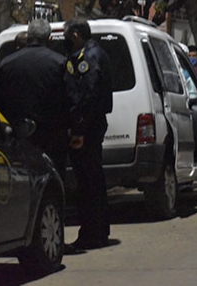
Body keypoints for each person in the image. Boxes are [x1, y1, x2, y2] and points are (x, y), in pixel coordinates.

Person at [0, 19, 68, 179]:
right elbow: (68, 100)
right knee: (53, 181)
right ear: (49, 38)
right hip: (52, 135)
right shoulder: (60, 63)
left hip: (17, 134)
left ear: (28, 36)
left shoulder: (7, 64)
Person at [63, 18, 113, 248]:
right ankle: (98, 231)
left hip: (89, 127)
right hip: (93, 125)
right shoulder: (96, 53)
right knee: (93, 179)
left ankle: (92, 233)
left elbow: (88, 94)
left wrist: (80, 128)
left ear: (75, 35)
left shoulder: (89, 57)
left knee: (88, 182)